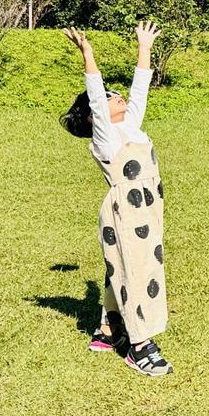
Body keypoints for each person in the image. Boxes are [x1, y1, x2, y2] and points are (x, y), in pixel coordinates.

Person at [60, 21, 173, 377]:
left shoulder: (131, 126)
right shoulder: (106, 139)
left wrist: (145, 47)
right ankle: (140, 347)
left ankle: (108, 329)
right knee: (137, 273)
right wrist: (88, 54)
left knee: (126, 268)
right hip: (125, 212)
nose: (116, 95)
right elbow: (94, 92)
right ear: (95, 118)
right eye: (109, 97)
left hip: (149, 208)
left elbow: (139, 90)